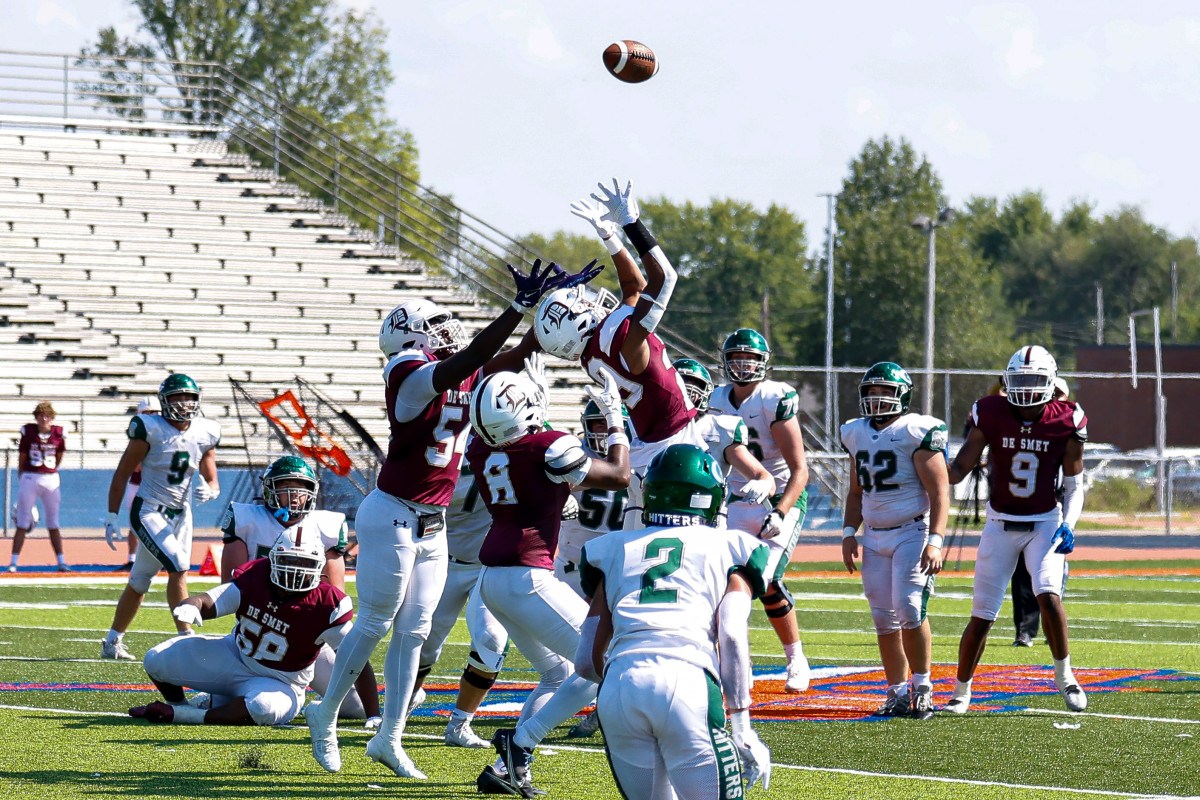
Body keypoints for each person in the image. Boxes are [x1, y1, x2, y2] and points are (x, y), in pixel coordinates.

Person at [305, 260, 599, 779]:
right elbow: (474, 356)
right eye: (433, 326)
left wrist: (553, 315)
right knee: (376, 621)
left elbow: (513, 354)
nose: (447, 330)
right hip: (392, 512)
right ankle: (325, 716)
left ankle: (388, 740)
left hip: (434, 521)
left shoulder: (464, 370)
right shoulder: (406, 371)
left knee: (415, 631)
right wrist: (514, 308)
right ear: (409, 338)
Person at [469, 359, 630, 798]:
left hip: (494, 581)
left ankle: (508, 765)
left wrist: (537, 409)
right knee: (604, 660)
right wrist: (615, 421)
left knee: (561, 674)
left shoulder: (480, 449)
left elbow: (527, 453)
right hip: (526, 578)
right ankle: (520, 745)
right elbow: (619, 475)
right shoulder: (548, 447)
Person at [576, 443, 773, 799]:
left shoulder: (613, 547)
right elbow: (729, 633)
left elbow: (584, 662)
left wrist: (628, 677)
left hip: (620, 687)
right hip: (686, 679)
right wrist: (742, 725)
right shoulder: (731, 547)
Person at [533, 178, 705, 529]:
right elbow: (664, 278)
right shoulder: (622, 338)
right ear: (577, 323)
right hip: (673, 452)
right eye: (579, 303)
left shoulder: (594, 354)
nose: (589, 299)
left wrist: (609, 238)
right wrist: (630, 224)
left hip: (648, 450)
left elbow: (634, 287)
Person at [944, 345, 1088, 714]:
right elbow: (961, 466)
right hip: (999, 523)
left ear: (1051, 382)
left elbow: (1073, 486)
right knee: (982, 614)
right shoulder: (989, 411)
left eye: (1034, 380)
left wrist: (1068, 525)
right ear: (1007, 381)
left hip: (1043, 522)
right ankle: (961, 692)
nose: (1025, 388)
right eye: (1019, 379)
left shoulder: (1066, 419)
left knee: (1048, 594)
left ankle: (1065, 676)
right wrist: (930, 473)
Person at [127, 528, 353, 726]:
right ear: (273, 559)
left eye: (304, 563)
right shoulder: (257, 575)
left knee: (263, 707)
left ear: (319, 566)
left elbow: (355, 655)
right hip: (236, 656)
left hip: (282, 682)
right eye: (288, 561)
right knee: (156, 658)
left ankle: (185, 714)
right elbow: (212, 600)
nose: (295, 570)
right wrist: (193, 604)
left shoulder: (328, 603)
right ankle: (179, 705)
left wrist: (373, 714)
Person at [219, 455, 380, 726]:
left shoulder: (325, 526)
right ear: (270, 490)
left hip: (306, 641)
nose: (294, 496)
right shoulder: (247, 520)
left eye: (301, 488)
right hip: (257, 634)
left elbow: (333, 597)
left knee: (356, 708)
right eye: (285, 488)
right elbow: (230, 585)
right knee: (225, 703)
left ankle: (405, 697)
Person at [839, 362, 949, 720]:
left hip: (911, 531)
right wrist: (847, 532)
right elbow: (856, 491)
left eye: (885, 391)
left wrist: (935, 539)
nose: (877, 398)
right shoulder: (855, 432)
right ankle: (896, 691)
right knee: (883, 618)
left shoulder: (916, 430)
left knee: (910, 608)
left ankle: (923, 687)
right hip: (873, 535)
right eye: (871, 391)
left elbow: (939, 490)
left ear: (902, 394)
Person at [708, 328, 812, 693]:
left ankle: (796, 658)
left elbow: (800, 469)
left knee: (763, 579)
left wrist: (781, 511)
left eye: (749, 358)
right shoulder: (716, 399)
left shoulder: (773, 398)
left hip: (778, 495)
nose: (742, 364)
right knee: (722, 582)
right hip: (734, 499)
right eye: (735, 357)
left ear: (762, 362)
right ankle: (740, 661)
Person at [101, 375, 221, 660]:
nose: (184, 404)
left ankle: (111, 642)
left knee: (141, 579)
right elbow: (123, 472)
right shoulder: (150, 428)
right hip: (149, 509)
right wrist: (111, 514)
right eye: (178, 397)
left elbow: (210, 469)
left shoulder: (206, 431)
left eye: (189, 398)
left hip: (182, 513)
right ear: (165, 402)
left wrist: (212, 488)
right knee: (179, 566)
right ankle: (186, 638)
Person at [408, 457, 511, 750]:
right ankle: (404, 703)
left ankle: (460, 724)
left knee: (492, 641)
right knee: (422, 643)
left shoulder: (526, 440)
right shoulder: (450, 443)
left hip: (492, 565)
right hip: (443, 559)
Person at [550, 399, 633, 740]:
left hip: (611, 569)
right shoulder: (571, 455)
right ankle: (592, 702)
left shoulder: (636, 457)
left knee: (610, 645)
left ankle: (607, 706)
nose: (600, 432)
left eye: (606, 424)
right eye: (594, 424)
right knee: (566, 652)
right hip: (570, 570)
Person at [1009, 376, 1072, 648]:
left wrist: (1069, 520)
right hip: (1017, 513)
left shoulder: (1067, 427)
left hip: (1050, 512)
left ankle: (1050, 630)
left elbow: (1073, 482)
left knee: (1051, 580)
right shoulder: (1019, 424)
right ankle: (1025, 630)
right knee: (1022, 574)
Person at [9, 401, 68, 573]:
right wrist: (22, 474)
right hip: (31, 476)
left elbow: (59, 456)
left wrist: (52, 470)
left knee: (53, 522)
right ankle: (13, 562)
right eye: (41, 416)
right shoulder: (28, 431)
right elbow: (22, 455)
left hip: (51, 478)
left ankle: (61, 562)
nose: (44, 419)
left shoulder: (59, 432)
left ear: (52, 418)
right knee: (22, 522)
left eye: (47, 416)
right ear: (36, 417)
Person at [117, 396, 161, 571]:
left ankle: (161, 559)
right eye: (146, 412)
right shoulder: (137, 434)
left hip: (158, 486)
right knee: (134, 523)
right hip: (138, 484)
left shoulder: (164, 433)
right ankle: (132, 559)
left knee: (160, 523)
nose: (150, 416)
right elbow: (136, 467)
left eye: (153, 412)